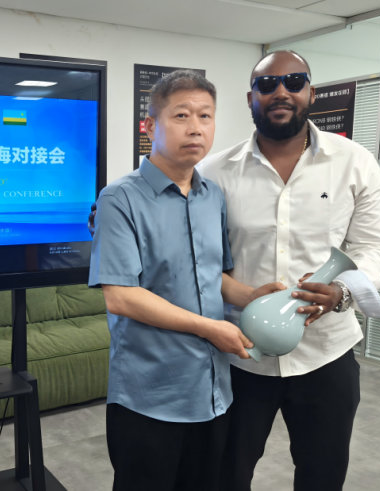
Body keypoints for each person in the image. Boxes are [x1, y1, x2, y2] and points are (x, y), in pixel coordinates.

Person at [198, 51, 380, 491]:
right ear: (250, 97)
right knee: (224, 474)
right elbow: (193, 256)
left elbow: (376, 247)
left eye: (294, 81)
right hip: (240, 356)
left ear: (311, 92)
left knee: (322, 475)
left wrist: (342, 292)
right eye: (267, 85)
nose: (281, 92)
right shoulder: (214, 172)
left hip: (327, 352)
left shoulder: (354, 162)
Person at [89, 70, 284, 491]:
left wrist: (252, 296)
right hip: (150, 394)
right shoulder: (119, 199)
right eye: (181, 115)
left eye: (205, 116)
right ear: (149, 126)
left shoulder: (212, 196)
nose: (195, 127)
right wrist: (210, 328)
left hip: (212, 391)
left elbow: (213, 276)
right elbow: (121, 297)